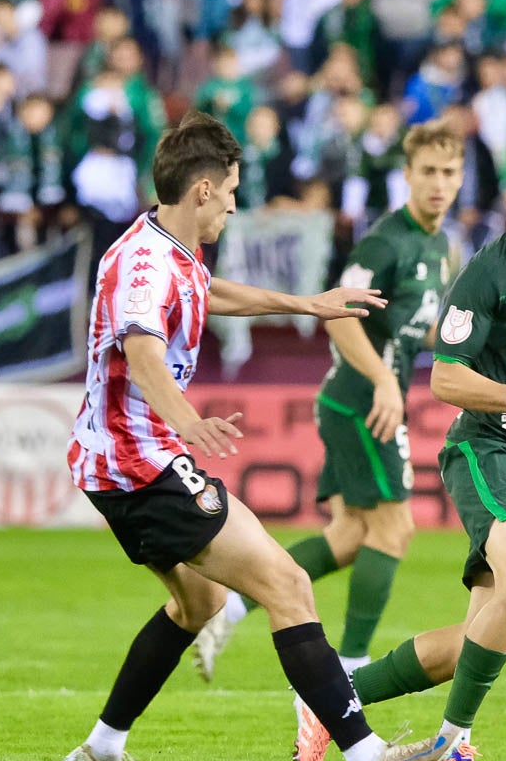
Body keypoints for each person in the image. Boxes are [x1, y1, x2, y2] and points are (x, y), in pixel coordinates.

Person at [61, 112, 443, 761]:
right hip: (140, 463)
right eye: (233, 190)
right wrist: (189, 421)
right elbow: (143, 352)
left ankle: (101, 747)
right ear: (203, 189)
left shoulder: (168, 246)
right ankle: (368, 758)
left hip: (119, 462)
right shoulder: (143, 266)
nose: (236, 204)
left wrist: (308, 303)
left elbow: (214, 294)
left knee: (198, 602)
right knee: (287, 585)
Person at [281, 132, 506, 761]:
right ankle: (449, 743)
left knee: (489, 625)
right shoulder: (490, 270)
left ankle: (335, 698)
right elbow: (443, 377)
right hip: (488, 446)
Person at [190, 123, 464, 721]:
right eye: (427, 172)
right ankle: (345, 679)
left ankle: (229, 610)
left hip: (365, 400)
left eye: (448, 173)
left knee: (349, 539)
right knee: (394, 532)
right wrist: (389, 380)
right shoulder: (386, 242)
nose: (438, 184)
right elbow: (339, 316)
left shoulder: (442, 249)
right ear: (408, 175)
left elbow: (423, 328)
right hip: (361, 401)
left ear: (461, 176)